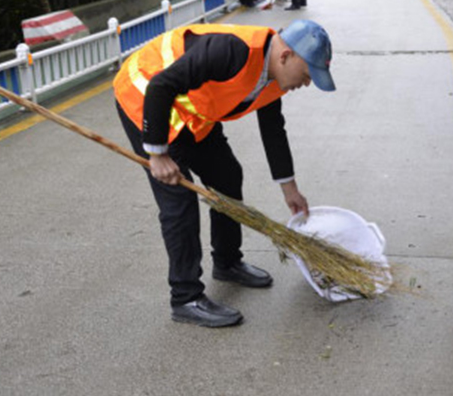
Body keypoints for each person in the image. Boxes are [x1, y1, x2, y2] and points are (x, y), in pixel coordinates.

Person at [113, 20, 336, 327]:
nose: (307, 83)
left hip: (191, 109)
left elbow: (273, 130)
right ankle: (185, 297)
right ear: (287, 56)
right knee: (179, 199)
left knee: (227, 176)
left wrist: (290, 189)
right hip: (146, 94)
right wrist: (157, 153)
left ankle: (227, 262)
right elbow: (160, 86)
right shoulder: (231, 50)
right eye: (308, 74)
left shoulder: (274, 75)